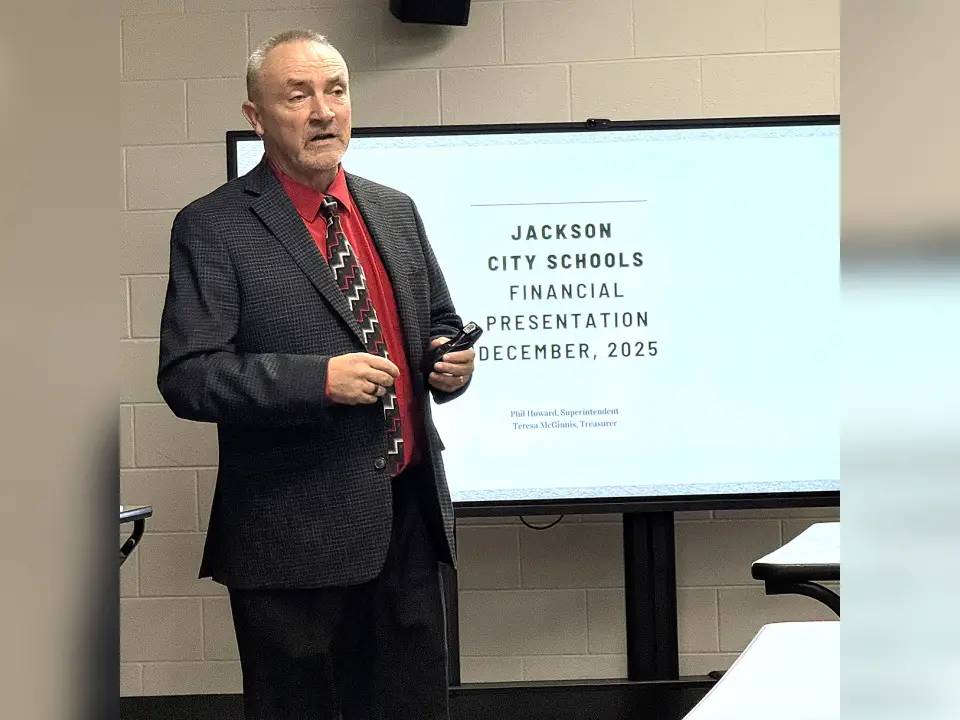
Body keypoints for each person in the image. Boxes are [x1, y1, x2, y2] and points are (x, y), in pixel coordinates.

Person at [157, 29, 474, 720]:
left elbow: (440, 321)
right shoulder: (213, 227)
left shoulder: (394, 209)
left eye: (335, 91)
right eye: (298, 96)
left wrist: (449, 361)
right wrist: (318, 382)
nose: (324, 111)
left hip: (406, 526)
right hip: (291, 544)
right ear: (256, 117)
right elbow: (188, 375)